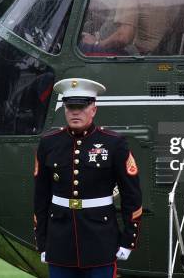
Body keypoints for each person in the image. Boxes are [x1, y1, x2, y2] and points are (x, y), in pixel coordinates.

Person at [33, 78, 142, 278]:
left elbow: (131, 195)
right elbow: (40, 197)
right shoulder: (48, 144)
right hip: (59, 241)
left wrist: (128, 240)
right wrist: (41, 241)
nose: (75, 112)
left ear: (93, 108)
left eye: (81, 106)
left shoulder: (113, 144)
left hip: (100, 239)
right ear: (64, 109)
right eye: (70, 106)